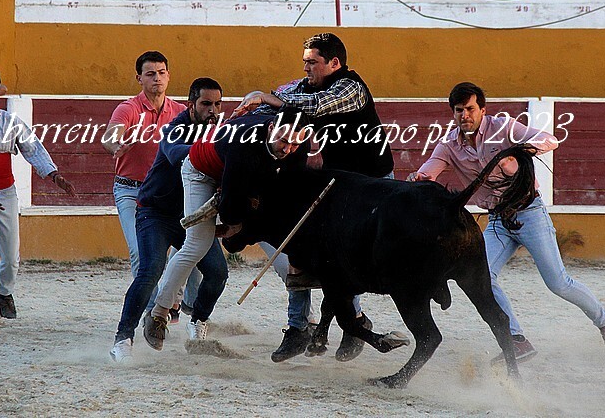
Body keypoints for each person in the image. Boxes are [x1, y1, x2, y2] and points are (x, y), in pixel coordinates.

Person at [407, 82, 605, 361]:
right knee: (481, 276)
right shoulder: (449, 146)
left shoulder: (505, 128)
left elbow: (550, 139)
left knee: (558, 283)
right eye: (459, 110)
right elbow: (428, 173)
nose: (465, 116)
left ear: (482, 110)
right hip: (498, 219)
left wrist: (520, 151)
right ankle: (517, 340)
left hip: (529, 212)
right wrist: (418, 179)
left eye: (470, 109)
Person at [232, 32, 394, 363]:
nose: (306, 67)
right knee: (300, 245)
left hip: (373, 185)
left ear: (334, 63)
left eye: (312, 62)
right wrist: (258, 98)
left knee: (349, 257)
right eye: (304, 61)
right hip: (335, 183)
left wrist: (266, 98)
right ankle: (299, 327)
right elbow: (285, 94)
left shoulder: (352, 87)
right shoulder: (306, 86)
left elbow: (316, 106)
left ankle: (353, 322)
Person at [143, 109, 311, 350]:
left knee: (281, 240)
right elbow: (232, 203)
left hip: (244, 181)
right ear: (271, 128)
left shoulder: (298, 147)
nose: (287, 149)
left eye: (295, 144)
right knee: (197, 244)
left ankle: (306, 320)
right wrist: (235, 226)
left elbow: (289, 188)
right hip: (201, 172)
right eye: (283, 141)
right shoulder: (243, 142)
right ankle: (158, 314)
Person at [110, 78, 226, 362]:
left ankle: (197, 321)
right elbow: (177, 156)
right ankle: (122, 339)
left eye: (217, 104)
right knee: (150, 271)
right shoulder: (176, 128)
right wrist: (219, 151)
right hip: (156, 213)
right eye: (206, 104)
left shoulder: (220, 133)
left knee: (218, 272)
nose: (212, 110)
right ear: (191, 105)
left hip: (193, 216)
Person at [0, 69, 76, 323]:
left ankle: (3, 292)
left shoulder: (11, 122)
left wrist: (54, 175)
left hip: (5, 193)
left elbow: (34, 149)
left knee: (11, 257)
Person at [102, 51, 187, 278]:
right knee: (141, 253)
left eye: (161, 73)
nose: (157, 78)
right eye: (150, 74)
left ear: (168, 75)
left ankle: (173, 298)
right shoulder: (128, 108)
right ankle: (149, 301)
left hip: (169, 193)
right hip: (131, 190)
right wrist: (116, 146)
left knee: (189, 251)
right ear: (139, 78)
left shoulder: (180, 112)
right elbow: (109, 137)